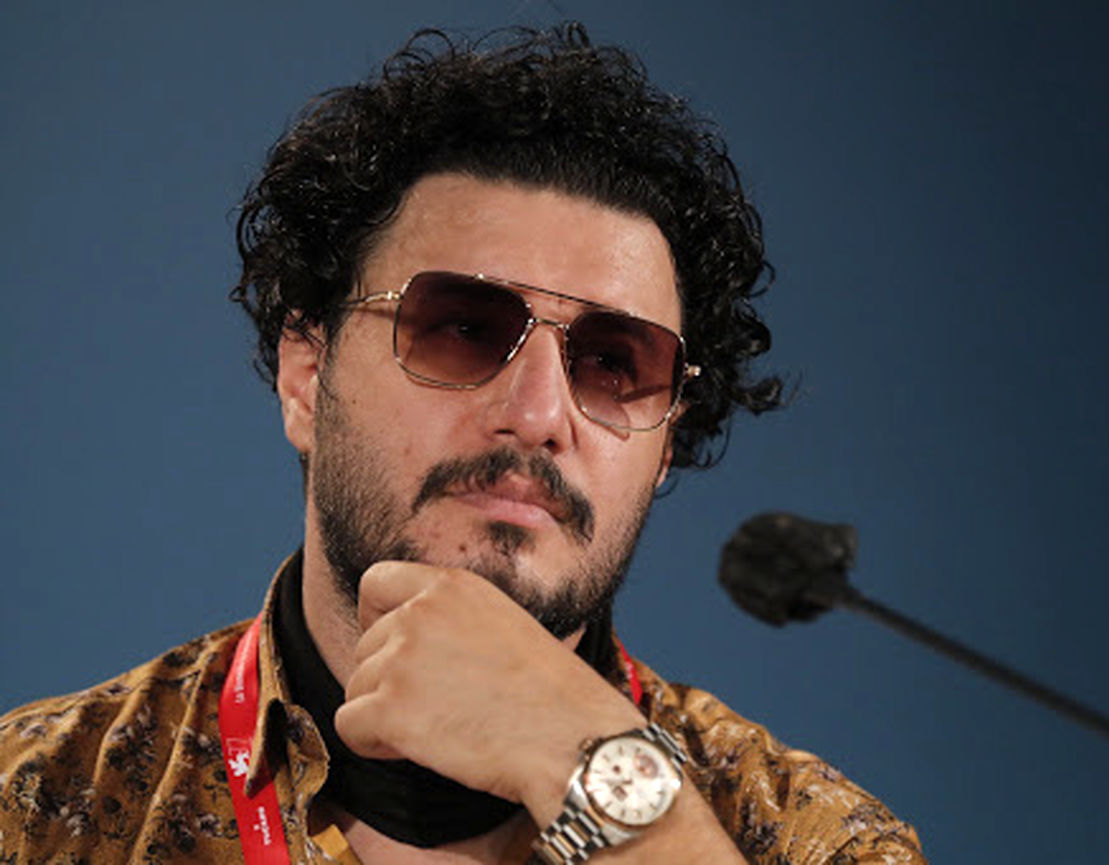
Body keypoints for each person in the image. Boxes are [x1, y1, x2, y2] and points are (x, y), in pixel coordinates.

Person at [0, 25, 925, 865]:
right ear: (306, 373)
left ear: (668, 441)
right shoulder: (29, 807)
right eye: (463, 329)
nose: (539, 413)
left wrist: (591, 768)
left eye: (613, 363)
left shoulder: (813, 841)